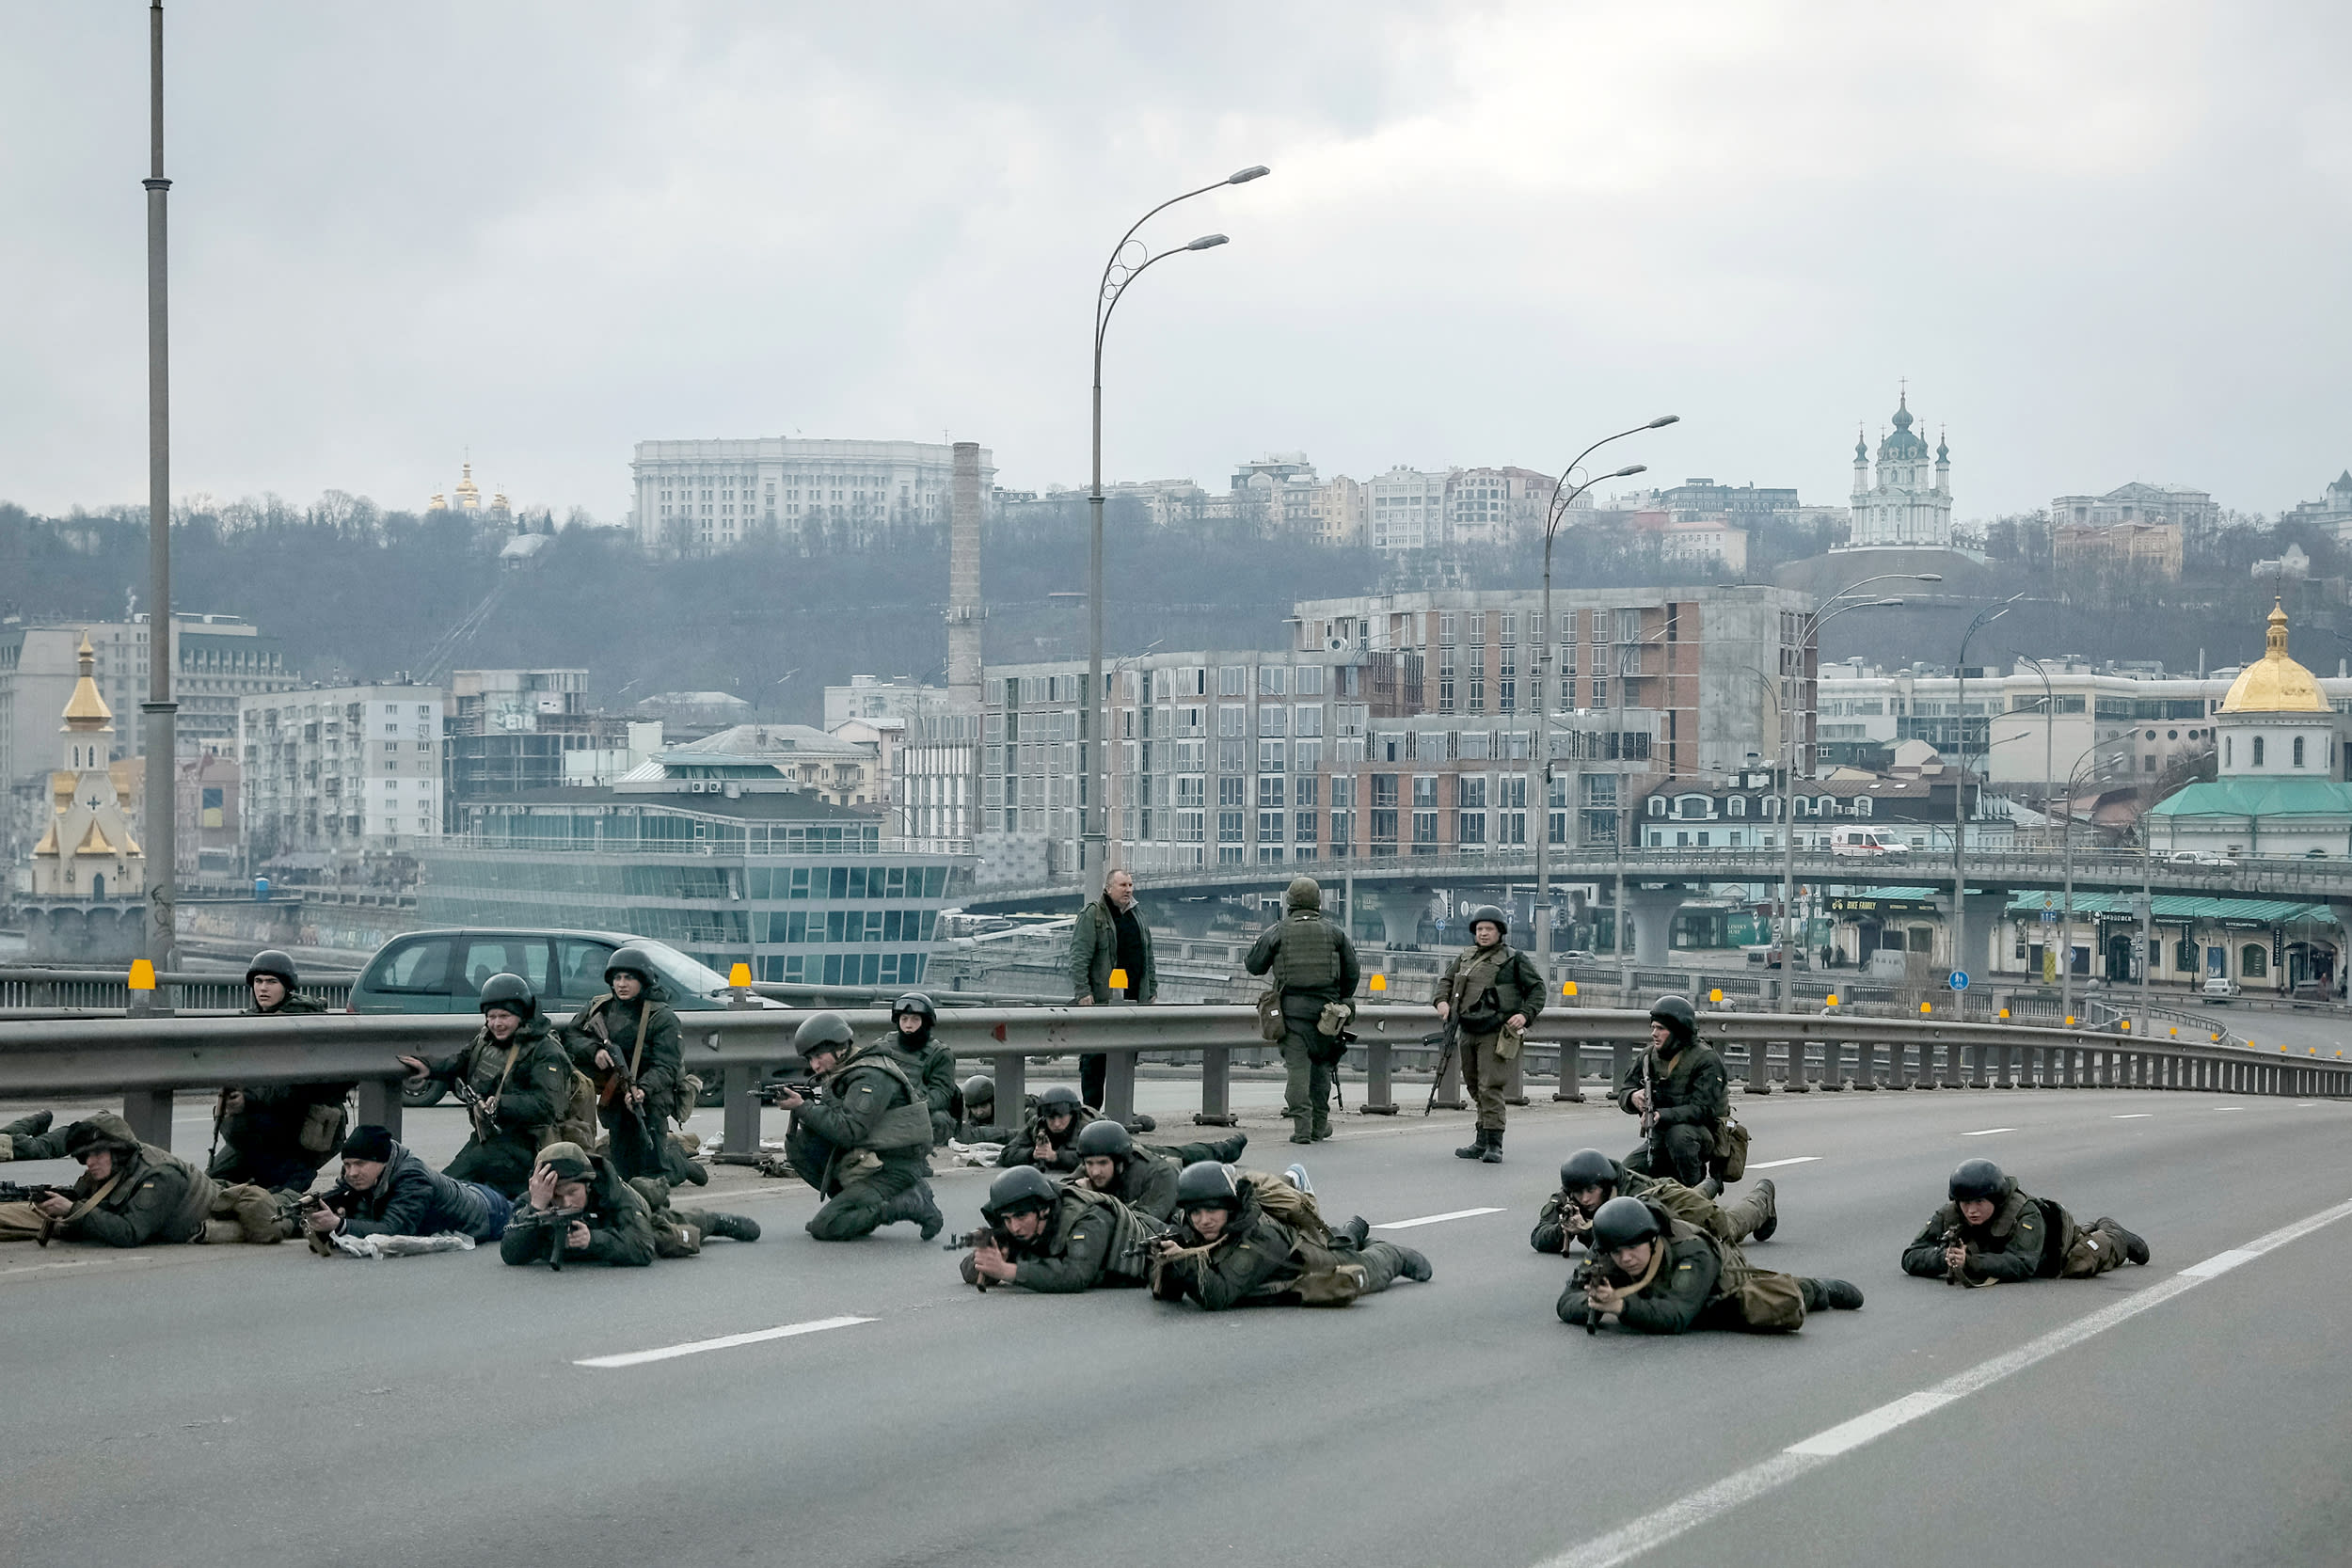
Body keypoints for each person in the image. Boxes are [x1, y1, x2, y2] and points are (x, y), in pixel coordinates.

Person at [1149, 1161, 1432, 1310]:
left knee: (1368, 1266)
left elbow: (1220, 1295)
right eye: (1196, 1213)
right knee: (1341, 1237)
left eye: (1212, 1211)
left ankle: (1390, 1250)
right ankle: (1354, 1231)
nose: (1204, 1221)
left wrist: (1182, 1262)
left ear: (1230, 1206)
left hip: (1309, 1261)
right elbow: (1168, 1293)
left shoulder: (1260, 1236)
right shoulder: (1188, 1226)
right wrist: (1164, 1258)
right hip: (1290, 1243)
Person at [1556, 1196, 1861, 1335]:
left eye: (1633, 1249)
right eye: (1616, 1252)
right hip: (1654, 1292)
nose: (1625, 1258)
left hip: (1720, 1284)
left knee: (1763, 1303)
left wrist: (1619, 1306)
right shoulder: (1607, 1242)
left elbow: (1677, 1316)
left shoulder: (1692, 1252)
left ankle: (1818, 1289)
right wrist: (1595, 1302)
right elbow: (1567, 1300)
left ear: (1651, 1239)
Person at [397, 973, 582, 1200]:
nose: (497, 1023)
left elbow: (546, 1106)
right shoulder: (486, 1040)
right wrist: (430, 1067)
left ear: (522, 1015)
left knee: (448, 1188)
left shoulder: (545, 1051)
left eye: (504, 1016)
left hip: (528, 1148)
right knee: (448, 1184)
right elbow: (461, 1061)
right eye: (491, 1016)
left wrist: (501, 1104)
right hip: (491, 1139)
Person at [775, 1011, 946, 1242]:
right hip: (869, 1158)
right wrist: (804, 1109)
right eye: (809, 1059)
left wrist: (803, 1107)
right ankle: (854, 1204)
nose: (814, 1065)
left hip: (894, 1166)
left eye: (818, 1056)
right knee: (800, 1145)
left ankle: (909, 1202)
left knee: (825, 1227)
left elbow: (849, 1131)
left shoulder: (870, 1076)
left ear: (839, 1047)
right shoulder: (845, 1071)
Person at [0, 1112, 281, 1247]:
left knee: (285, 1209)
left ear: (117, 1149)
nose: (90, 1163)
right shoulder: (115, 1166)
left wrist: (71, 1211)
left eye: (97, 1154)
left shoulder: (159, 1176)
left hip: (219, 1213)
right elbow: (89, 1201)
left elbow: (129, 1234)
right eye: (84, 1157)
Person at [206, 949, 354, 1194]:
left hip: (298, 1130)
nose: (263, 988)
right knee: (214, 1184)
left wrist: (248, 1100)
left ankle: (289, 1181)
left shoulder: (303, 1021)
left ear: (286, 986)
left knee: (273, 1199)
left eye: (272, 982)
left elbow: (294, 1087)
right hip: (260, 1131)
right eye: (258, 981)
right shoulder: (250, 1023)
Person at [559, 945, 704, 1188]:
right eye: (617, 978)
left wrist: (642, 1089)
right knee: (622, 1170)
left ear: (643, 980)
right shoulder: (599, 1007)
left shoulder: (661, 1017)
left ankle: (679, 1162)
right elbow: (571, 1037)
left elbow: (666, 1065)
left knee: (654, 1170)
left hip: (651, 1094)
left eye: (629, 978)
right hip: (614, 1094)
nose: (622, 984)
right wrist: (595, 1051)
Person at [1245, 875, 1362, 1145]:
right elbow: (1352, 973)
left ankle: (1302, 1128)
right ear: (1318, 902)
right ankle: (1319, 1127)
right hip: (1328, 1016)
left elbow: (1254, 965)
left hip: (1292, 1015)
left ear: (1290, 902)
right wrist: (1340, 999)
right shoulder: (1334, 932)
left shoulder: (1279, 930)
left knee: (1297, 1071)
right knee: (1321, 1068)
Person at [1901, 1159, 2149, 1285]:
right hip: (2014, 1250)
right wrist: (1943, 1257)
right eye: (1965, 1203)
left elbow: (2022, 1264)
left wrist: (1971, 1262)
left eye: (1979, 1203)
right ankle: (2090, 1231)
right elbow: (1910, 1256)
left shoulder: (2024, 1213)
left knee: (2081, 1263)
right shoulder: (1950, 1213)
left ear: (1995, 1199)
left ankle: (2114, 1234)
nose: (1971, 1210)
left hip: (2056, 1249)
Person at [1431, 904, 1545, 1164]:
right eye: (1480, 929)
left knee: (1489, 1086)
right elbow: (1446, 982)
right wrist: (1442, 1002)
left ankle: (1495, 1144)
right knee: (1473, 1085)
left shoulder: (1513, 959)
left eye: (1489, 929)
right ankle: (1481, 1140)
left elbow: (1537, 989)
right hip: (1467, 1028)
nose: (1483, 933)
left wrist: (1525, 1014)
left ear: (1499, 932)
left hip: (1494, 1030)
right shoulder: (1466, 957)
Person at [299, 1124, 514, 1246]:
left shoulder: (412, 1179)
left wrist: (338, 1224)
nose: (352, 1172)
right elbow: (331, 1196)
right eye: (347, 1164)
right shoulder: (356, 1173)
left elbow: (395, 1230)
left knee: (521, 1215)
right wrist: (305, 1211)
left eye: (360, 1164)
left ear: (381, 1161)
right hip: (459, 1190)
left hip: (490, 1212)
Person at [959, 1165, 1166, 1291]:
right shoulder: (1015, 1222)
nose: (1014, 1227)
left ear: (1043, 1210)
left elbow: (1075, 1275)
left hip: (1156, 1241)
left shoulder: (1087, 1216)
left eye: (1021, 1217)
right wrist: (991, 1258)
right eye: (1007, 1219)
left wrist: (1008, 1270)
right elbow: (968, 1269)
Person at [1531, 1147, 1776, 1253]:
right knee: (1698, 1194)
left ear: (1605, 1184)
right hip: (1668, 1194)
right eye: (1578, 1193)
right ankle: (1709, 1185)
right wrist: (1564, 1230)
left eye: (1591, 1191)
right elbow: (1538, 1238)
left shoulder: (1634, 1195)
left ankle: (1762, 1196)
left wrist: (1586, 1230)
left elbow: (1632, 1242)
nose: (1584, 1199)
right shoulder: (1573, 1192)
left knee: (1728, 1226)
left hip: (1670, 1204)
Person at [1068, 868, 1156, 1108]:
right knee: (1096, 1057)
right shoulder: (1094, 915)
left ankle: (1122, 1109)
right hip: (1102, 999)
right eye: (1122, 885)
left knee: (1127, 1053)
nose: (1128, 890)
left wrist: (1151, 989)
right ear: (1108, 888)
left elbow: (1147, 954)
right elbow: (1079, 956)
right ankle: (1092, 1110)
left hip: (1132, 999)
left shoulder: (1136, 915)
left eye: (1130, 885)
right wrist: (1083, 991)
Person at [1618, 994, 1727, 1188]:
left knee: (1679, 1136)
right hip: (1659, 1137)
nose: (1654, 1034)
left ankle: (1694, 1191)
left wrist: (1662, 1115)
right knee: (1624, 1176)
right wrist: (1633, 1097)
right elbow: (1625, 1089)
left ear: (1678, 1030)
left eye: (1661, 1028)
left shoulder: (1706, 1060)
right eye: (1653, 1027)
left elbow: (1703, 1109)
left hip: (1699, 1135)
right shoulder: (1648, 1056)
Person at [500, 1142, 657, 1268]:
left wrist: (593, 1240)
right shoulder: (536, 1198)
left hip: (643, 1205)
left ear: (588, 1185)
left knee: (664, 1232)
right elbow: (511, 1254)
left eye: (572, 1192)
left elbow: (644, 1246)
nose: (566, 1203)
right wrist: (536, 1207)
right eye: (557, 1196)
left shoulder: (611, 1192)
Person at [1071, 1117, 1248, 1224]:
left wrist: (1094, 1199)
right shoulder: (1095, 1162)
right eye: (1090, 1164)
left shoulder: (1159, 1174)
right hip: (1143, 1156)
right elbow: (1059, 1193)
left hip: (1176, 1173)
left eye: (1102, 1164)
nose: (1094, 1172)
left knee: (1189, 1155)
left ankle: (1226, 1150)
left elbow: (1146, 1222)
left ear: (1119, 1162)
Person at [882, 991, 961, 1147]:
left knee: (939, 1120)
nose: (908, 1025)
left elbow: (941, 1094)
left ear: (925, 1022)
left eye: (915, 1019)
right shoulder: (885, 1045)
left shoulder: (939, 1053)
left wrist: (911, 1103)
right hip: (887, 1109)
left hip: (922, 1112)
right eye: (904, 1019)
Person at [996, 1084, 1090, 1170]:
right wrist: (1032, 1154)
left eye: (1061, 1117)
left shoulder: (1087, 1127)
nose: (1056, 1123)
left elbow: (1097, 1159)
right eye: (1051, 1118)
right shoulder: (1038, 1123)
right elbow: (1006, 1154)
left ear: (1072, 1114)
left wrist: (1056, 1156)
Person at [954, 1075, 1014, 1143]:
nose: (979, 1112)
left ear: (992, 1102)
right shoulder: (965, 1117)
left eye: (984, 1106)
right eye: (974, 1108)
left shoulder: (1007, 1113)